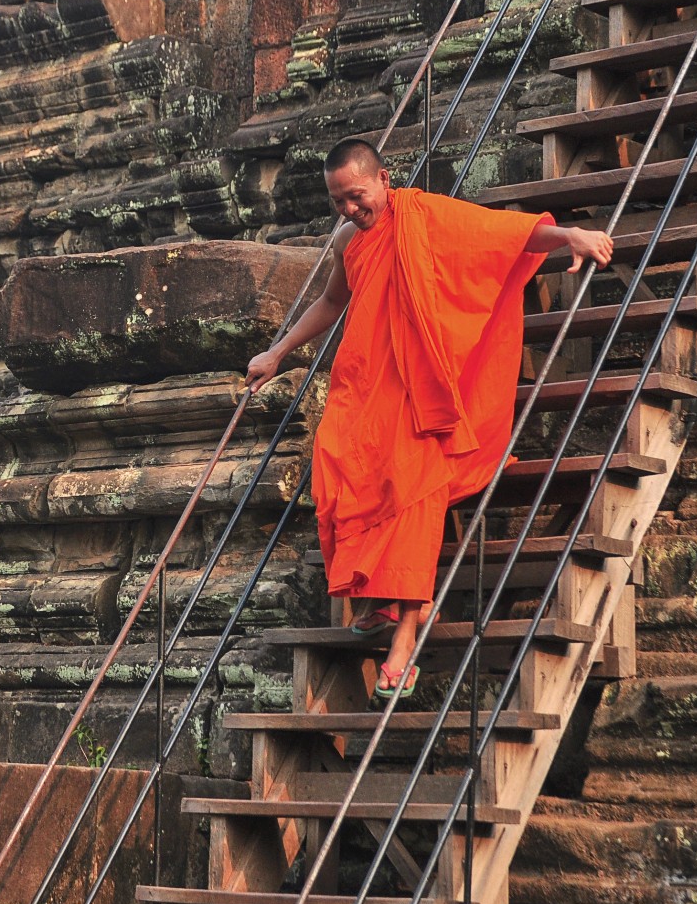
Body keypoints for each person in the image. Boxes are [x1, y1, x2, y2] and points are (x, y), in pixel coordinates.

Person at [244, 137, 615, 697]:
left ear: (384, 180)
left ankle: (404, 644)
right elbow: (330, 302)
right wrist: (277, 353)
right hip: (366, 381)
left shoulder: (424, 216)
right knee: (335, 464)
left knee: (414, 488)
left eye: (357, 196)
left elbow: (500, 234)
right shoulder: (350, 238)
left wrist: (569, 236)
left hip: (419, 391)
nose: (349, 209)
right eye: (338, 201)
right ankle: (376, 599)